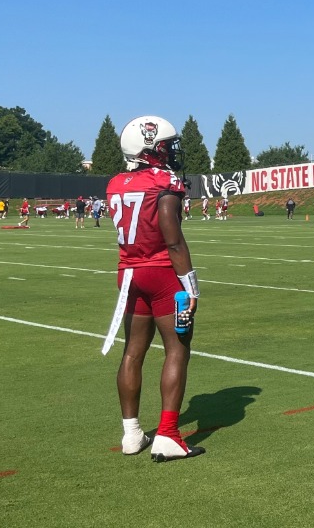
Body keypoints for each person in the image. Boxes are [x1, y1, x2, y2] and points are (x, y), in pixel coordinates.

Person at [106, 115, 204, 462]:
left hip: (128, 274)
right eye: (165, 145)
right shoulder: (164, 182)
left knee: (133, 351)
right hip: (161, 273)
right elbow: (173, 240)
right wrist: (191, 285)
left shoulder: (116, 183)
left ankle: (131, 434)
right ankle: (168, 435)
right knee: (177, 349)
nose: (170, 151)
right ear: (149, 148)